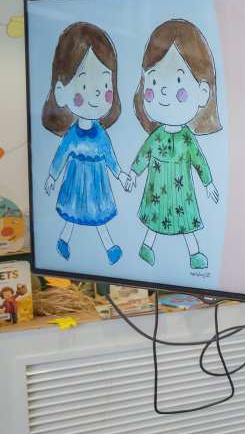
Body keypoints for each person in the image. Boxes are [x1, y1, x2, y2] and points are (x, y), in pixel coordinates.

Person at [124, 19, 222, 269]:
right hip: (157, 190)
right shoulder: (156, 136)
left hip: (182, 192)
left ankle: (194, 253)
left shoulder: (187, 138)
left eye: (178, 85)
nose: (164, 94)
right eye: (155, 84)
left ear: (202, 93)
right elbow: (143, 155)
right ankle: (147, 247)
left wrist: (208, 183)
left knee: (185, 219)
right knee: (155, 218)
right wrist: (133, 174)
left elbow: (199, 160)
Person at [41, 21, 128, 265]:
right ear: (62, 91)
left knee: (98, 215)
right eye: (85, 86)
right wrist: (51, 176)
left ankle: (110, 247)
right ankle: (63, 241)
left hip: (98, 180)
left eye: (103, 85)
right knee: (73, 213)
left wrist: (120, 175)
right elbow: (61, 154)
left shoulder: (101, 133)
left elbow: (110, 155)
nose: (96, 94)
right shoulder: (71, 134)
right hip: (76, 179)